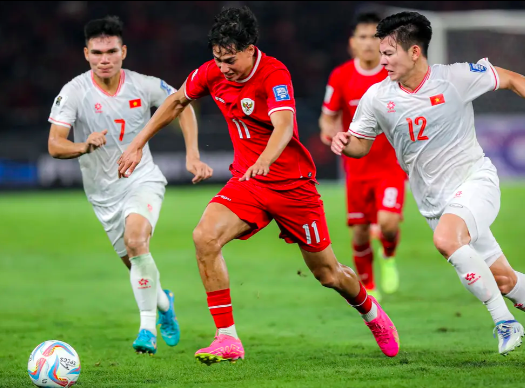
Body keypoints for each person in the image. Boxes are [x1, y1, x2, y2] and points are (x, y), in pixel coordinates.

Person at [118, 6, 400, 365]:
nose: (223, 67)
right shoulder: (212, 73)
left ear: (251, 49)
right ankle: (227, 338)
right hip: (247, 183)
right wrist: (138, 142)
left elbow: (283, 125)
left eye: (230, 59)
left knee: (328, 274)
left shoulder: (274, 73)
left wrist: (265, 160)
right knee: (205, 236)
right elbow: (176, 101)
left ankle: (371, 312)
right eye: (218, 59)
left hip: (292, 186)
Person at [331, 11, 525, 355]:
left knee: (446, 239)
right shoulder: (377, 97)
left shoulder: (455, 77)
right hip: (434, 203)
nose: (383, 60)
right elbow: (361, 145)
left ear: (415, 52)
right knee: (505, 280)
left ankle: (504, 322)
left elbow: (510, 78)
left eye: (389, 53)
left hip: (475, 181)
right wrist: (346, 142)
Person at [47, 16, 213, 355]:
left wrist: (192, 154)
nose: (104, 58)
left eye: (110, 51)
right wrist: (84, 146)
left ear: (124, 51)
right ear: (86, 54)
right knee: (137, 260)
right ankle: (165, 304)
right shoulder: (74, 92)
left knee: (137, 240)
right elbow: (54, 144)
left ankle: (146, 330)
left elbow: (183, 106)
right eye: (97, 52)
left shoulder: (144, 85)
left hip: (142, 179)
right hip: (101, 194)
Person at [320, 12, 406, 299]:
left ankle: (389, 255)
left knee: (388, 225)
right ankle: (368, 286)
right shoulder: (341, 75)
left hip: (390, 165)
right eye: (363, 37)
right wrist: (331, 133)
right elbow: (328, 116)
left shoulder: (394, 73)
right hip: (356, 167)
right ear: (352, 43)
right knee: (358, 234)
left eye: (374, 37)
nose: (368, 43)